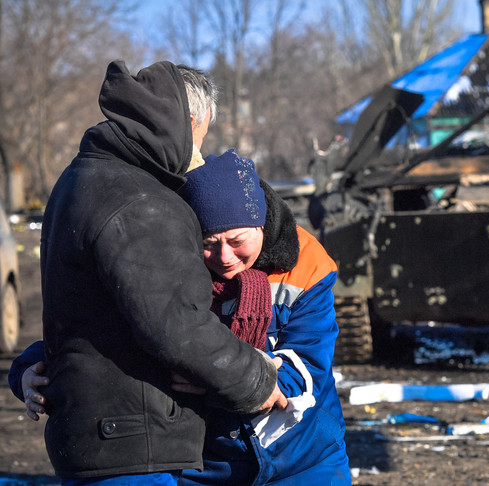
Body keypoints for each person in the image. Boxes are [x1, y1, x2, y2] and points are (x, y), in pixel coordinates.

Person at [8, 60, 281, 484]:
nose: (200, 152)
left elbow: (85, 314)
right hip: (132, 442)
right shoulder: (143, 200)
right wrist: (257, 381)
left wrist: (24, 367)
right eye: (202, 134)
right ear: (188, 123)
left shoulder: (80, 179)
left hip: (93, 435)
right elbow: (177, 324)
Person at [13, 149, 351, 485]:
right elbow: (96, 333)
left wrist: (222, 380)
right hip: (205, 466)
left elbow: (309, 366)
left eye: (237, 240)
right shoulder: (164, 267)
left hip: (306, 456)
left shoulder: (307, 265)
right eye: (207, 243)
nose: (225, 257)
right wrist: (28, 369)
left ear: (260, 223)